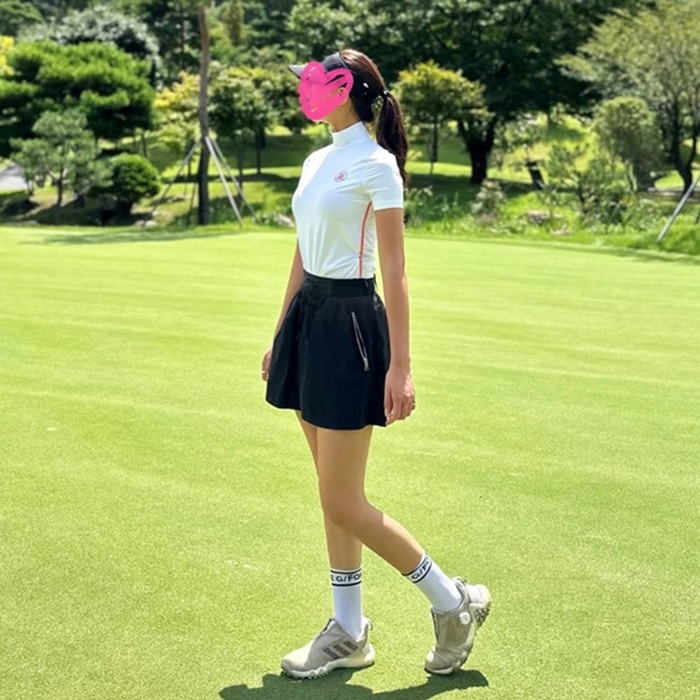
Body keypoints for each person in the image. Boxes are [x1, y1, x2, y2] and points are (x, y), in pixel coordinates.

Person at [261, 48, 491, 680]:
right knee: (332, 496)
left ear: (348, 90)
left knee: (342, 499)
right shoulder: (316, 161)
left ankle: (452, 601)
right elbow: (302, 254)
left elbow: (395, 270)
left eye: (317, 81)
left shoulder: (377, 164)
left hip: (354, 328)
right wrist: (280, 334)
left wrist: (401, 366)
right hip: (309, 321)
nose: (306, 90)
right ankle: (349, 631)